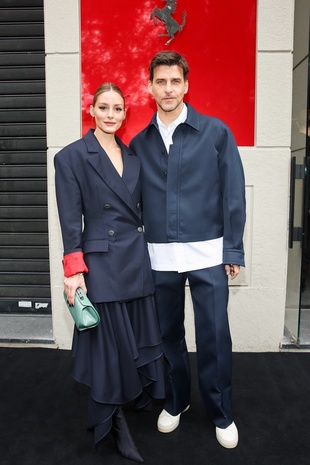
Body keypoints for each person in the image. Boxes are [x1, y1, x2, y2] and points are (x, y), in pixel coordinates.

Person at [130, 51, 246, 449]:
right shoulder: (139, 142)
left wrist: (233, 250)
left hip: (209, 254)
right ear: (150, 87)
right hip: (159, 256)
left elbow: (233, 195)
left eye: (174, 81)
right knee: (167, 336)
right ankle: (176, 401)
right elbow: (132, 203)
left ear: (186, 85)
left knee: (214, 335)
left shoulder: (216, 133)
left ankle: (221, 411)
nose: (168, 89)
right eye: (160, 81)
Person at [54, 82, 164, 463]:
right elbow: (70, 221)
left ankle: (126, 406)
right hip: (101, 265)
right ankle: (113, 422)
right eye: (104, 107)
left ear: (124, 113)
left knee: (132, 341)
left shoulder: (133, 157)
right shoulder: (71, 157)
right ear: (92, 110)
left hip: (135, 260)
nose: (111, 115)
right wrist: (73, 271)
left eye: (118, 108)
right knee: (109, 349)